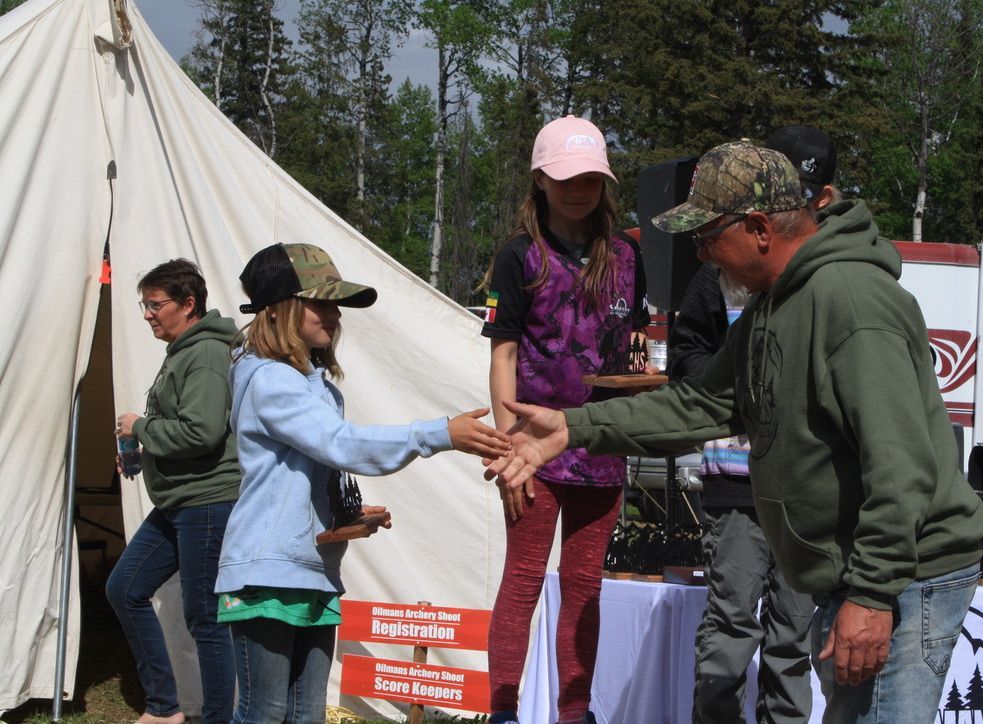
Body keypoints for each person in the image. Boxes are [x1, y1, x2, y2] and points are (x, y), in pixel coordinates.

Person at [485, 141, 983, 724]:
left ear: (757, 227)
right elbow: (701, 403)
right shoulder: (775, 302)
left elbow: (902, 470)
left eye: (706, 237)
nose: (701, 255)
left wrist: (873, 595)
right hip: (863, 573)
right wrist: (572, 426)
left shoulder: (852, 302)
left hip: (907, 576)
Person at [215, 243, 511, 724]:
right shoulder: (270, 380)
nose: (334, 315)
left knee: (306, 713)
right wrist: (437, 433)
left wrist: (345, 516)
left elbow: (309, 469)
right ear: (281, 306)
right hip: (266, 570)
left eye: (336, 305)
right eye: (321, 302)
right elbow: (341, 444)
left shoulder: (314, 383)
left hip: (309, 566)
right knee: (264, 712)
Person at [479, 115, 650, 724]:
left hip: (602, 443)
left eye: (590, 178)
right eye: (565, 177)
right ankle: (502, 711)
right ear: (540, 180)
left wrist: (641, 382)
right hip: (532, 448)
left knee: (584, 587)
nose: (578, 189)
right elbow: (501, 354)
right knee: (523, 577)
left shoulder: (629, 253)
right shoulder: (519, 256)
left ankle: (573, 715)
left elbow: (634, 344)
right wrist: (506, 447)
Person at [669, 125, 839, 724]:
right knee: (731, 623)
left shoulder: (830, 280)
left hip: (802, 492)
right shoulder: (713, 275)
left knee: (794, 632)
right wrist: (738, 386)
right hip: (735, 485)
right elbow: (685, 356)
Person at [108, 259, 241, 724]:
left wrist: (141, 426)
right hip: (178, 499)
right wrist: (145, 445)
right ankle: (165, 707)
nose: (147, 313)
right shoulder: (183, 350)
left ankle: (216, 718)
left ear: (188, 304)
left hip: (205, 499)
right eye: (144, 304)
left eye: (155, 304)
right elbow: (190, 427)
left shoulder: (205, 353)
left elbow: (203, 432)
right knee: (124, 588)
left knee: (205, 617)